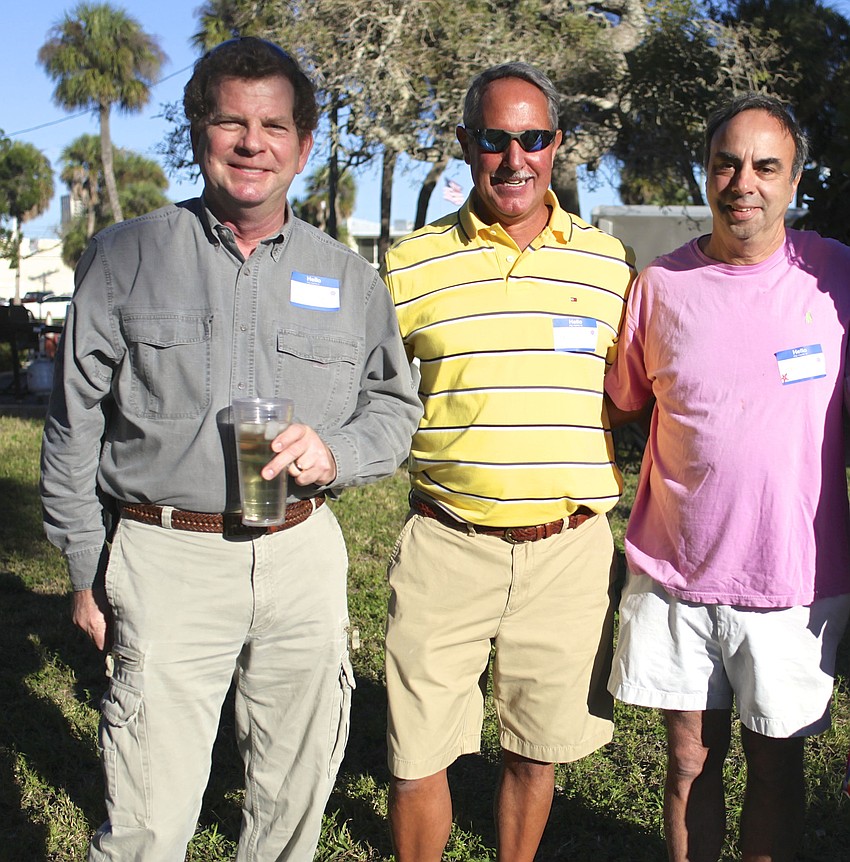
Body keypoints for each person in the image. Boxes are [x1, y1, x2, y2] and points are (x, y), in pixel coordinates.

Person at [40, 36, 421, 862]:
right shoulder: (124, 258)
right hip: (166, 552)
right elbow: (74, 428)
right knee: (147, 817)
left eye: (275, 125)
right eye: (231, 122)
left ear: (304, 145)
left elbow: (394, 408)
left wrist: (339, 454)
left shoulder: (350, 279)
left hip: (300, 556)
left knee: (294, 801)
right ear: (198, 132)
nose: (254, 143)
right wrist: (82, 569)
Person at [380, 62, 635, 862]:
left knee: (537, 747)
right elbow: (367, 393)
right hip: (445, 542)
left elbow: (641, 396)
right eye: (495, 138)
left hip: (568, 551)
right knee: (414, 755)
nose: (514, 157)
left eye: (533, 137)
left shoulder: (611, 267)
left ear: (557, 145)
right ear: (467, 144)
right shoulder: (406, 266)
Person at [605, 92, 850, 862]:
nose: (744, 181)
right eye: (727, 163)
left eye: (765, 166)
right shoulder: (661, 287)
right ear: (707, 174)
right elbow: (619, 406)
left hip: (795, 582)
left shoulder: (837, 277)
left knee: (777, 770)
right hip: (678, 575)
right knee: (686, 763)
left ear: (795, 180)